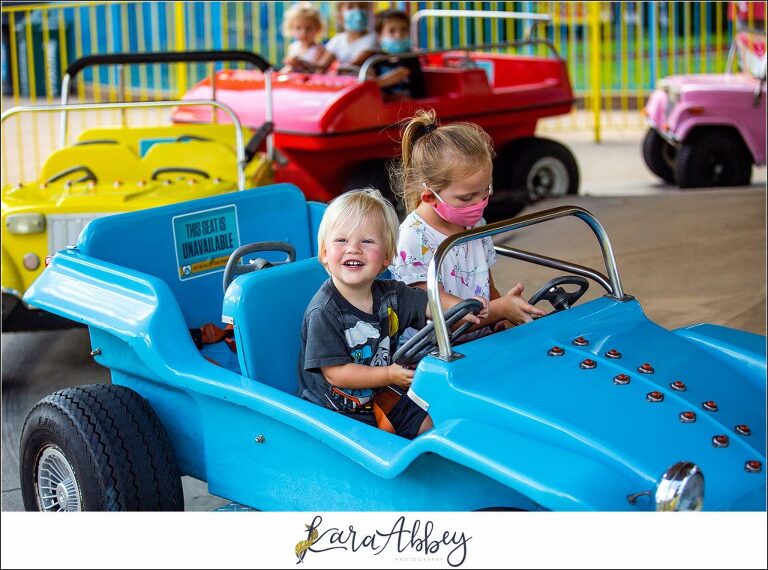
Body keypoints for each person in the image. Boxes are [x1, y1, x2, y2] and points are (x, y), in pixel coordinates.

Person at [297, 188, 488, 440]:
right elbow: (336, 373)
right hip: (334, 411)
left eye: (367, 241)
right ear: (324, 253)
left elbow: (430, 305)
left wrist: (463, 306)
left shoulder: (393, 294)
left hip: (381, 393)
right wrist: (387, 374)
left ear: (387, 256)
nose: (353, 249)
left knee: (427, 424)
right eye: (341, 240)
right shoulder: (323, 311)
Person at [389, 109, 546, 338]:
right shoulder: (413, 238)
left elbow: (488, 286)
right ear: (430, 197)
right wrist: (501, 309)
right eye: (467, 198)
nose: (479, 204)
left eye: (485, 192)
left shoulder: (475, 224)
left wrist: (502, 317)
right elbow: (441, 317)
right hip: (431, 354)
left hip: (476, 340)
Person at [371, 8, 425, 99]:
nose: (399, 35)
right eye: (392, 31)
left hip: (411, 104)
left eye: (404, 30)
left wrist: (372, 85)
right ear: (379, 36)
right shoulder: (377, 58)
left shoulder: (410, 57)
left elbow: (400, 73)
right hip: (386, 104)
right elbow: (369, 73)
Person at [315, 2, 378, 73]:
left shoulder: (374, 38)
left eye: (362, 7)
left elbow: (353, 64)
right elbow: (321, 66)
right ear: (340, 15)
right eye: (350, 7)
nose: (357, 10)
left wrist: (333, 72)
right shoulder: (338, 39)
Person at [281, 2, 327, 73]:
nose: (303, 32)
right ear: (291, 28)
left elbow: (317, 70)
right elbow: (288, 68)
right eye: (298, 28)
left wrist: (300, 63)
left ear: (318, 28)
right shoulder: (293, 47)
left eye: (308, 28)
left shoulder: (319, 50)